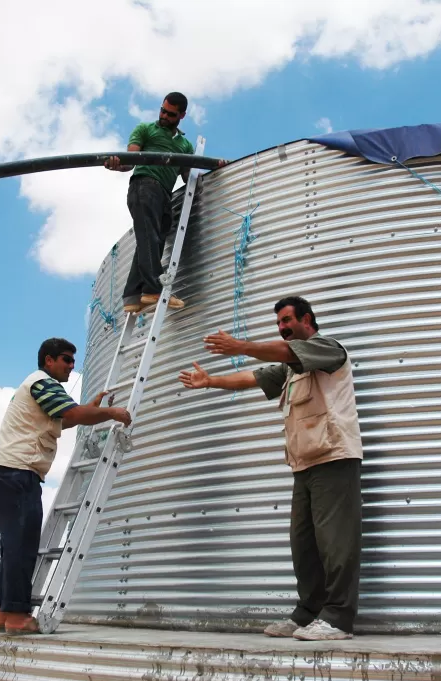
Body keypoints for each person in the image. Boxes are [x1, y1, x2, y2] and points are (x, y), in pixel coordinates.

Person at [179, 296, 363, 641]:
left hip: (335, 457)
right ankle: (308, 613)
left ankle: (338, 618)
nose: (282, 327)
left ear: (307, 319)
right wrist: (211, 381)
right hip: (305, 463)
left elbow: (283, 353)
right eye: (279, 323)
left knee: (336, 543)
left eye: (287, 320)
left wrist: (240, 346)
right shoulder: (291, 368)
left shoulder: (326, 348)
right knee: (303, 544)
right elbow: (252, 377)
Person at [0, 337, 132, 634]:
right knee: (22, 546)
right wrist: (111, 413)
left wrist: (88, 410)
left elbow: (63, 420)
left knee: (13, 545)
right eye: (66, 359)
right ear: (48, 360)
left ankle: (3, 613)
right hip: (18, 472)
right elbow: (71, 414)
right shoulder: (43, 383)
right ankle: (17, 615)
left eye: (72, 361)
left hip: (9, 472)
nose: (71, 366)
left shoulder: (37, 387)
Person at [105, 91, 225, 313]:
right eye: (162, 110)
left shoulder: (185, 146)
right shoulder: (145, 130)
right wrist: (117, 164)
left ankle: (132, 296)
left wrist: (214, 167)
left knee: (155, 240)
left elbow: (188, 177)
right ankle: (153, 289)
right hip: (144, 186)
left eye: (170, 114)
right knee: (148, 236)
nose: (163, 116)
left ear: (181, 115)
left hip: (164, 194)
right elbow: (129, 160)